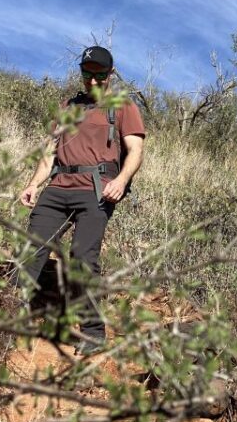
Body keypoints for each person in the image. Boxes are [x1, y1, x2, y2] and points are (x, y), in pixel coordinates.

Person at [18, 46, 145, 354]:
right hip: (58, 186)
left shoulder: (123, 106)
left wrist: (121, 180)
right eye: (87, 73)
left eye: (99, 74)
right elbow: (50, 152)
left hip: (96, 188)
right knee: (31, 248)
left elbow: (136, 150)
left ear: (110, 74)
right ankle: (9, 315)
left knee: (81, 257)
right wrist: (34, 184)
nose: (92, 80)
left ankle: (92, 332)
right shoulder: (68, 106)